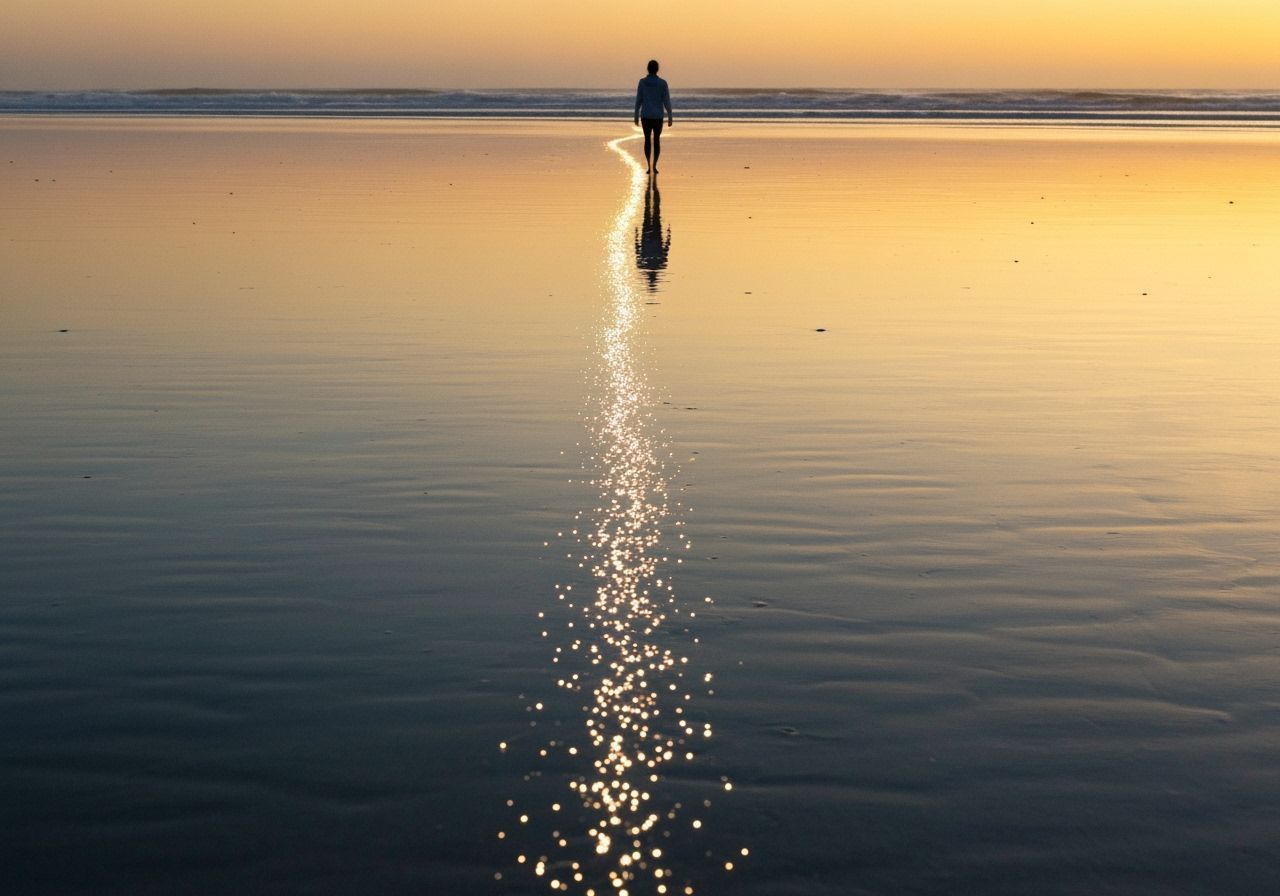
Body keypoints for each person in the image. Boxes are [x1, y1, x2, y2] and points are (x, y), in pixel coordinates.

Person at [633, 60, 673, 174]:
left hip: (645, 115)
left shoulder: (642, 82)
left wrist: (636, 114)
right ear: (657, 69)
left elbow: (638, 100)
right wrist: (670, 116)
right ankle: (654, 165)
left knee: (647, 140)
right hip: (657, 116)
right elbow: (666, 101)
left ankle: (648, 166)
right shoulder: (662, 83)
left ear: (648, 69)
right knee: (656, 140)